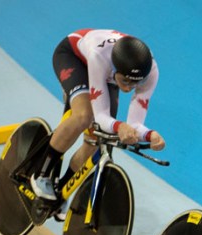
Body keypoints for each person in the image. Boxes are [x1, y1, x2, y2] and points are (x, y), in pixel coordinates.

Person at [30, 29, 166, 201]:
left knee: (98, 139)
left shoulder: (151, 72)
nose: (127, 88)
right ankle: (41, 173)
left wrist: (150, 135)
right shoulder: (100, 57)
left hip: (109, 75)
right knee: (84, 115)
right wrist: (119, 126)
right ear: (115, 69)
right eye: (125, 81)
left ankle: (62, 190)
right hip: (74, 56)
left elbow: (135, 124)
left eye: (135, 83)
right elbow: (101, 116)